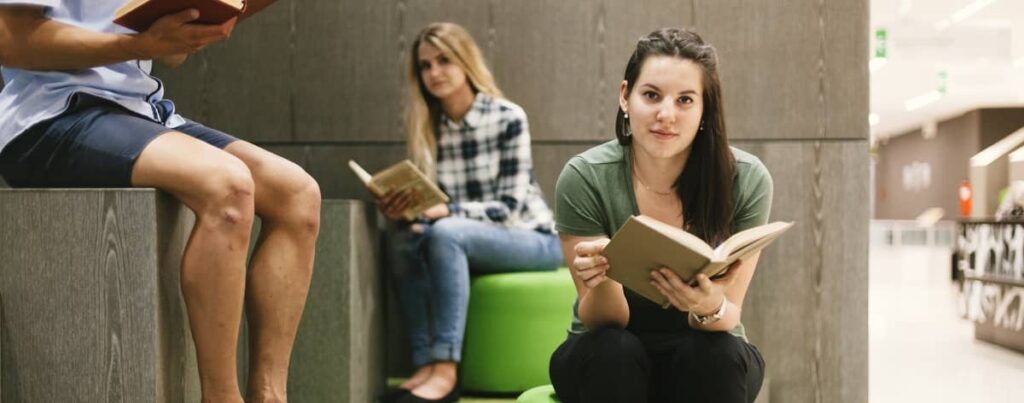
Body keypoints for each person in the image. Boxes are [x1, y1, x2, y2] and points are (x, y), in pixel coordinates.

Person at [0, 2, 320, 402]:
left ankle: (270, 395)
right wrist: (141, 43)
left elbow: (171, 56)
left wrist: (191, 26)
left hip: (139, 111)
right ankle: (221, 397)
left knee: (297, 195)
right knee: (228, 185)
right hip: (49, 114)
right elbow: (13, 40)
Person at [548, 28, 773, 403]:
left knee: (714, 355)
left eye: (685, 100)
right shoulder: (584, 176)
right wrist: (605, 277)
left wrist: (706, 305)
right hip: (605, 348)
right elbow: (604, 322)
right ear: (625, 96)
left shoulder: (745, 179)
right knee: (614, 351)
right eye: (651, 95)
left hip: (706, 345)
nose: (665, 115)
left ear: (705, 110)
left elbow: (729, 314)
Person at [378, 22, 563, 403]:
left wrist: (447, 211)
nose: (434, 73)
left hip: (534, 238)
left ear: (466, 61)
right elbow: (433, 205)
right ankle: (425, 363)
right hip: (466, 237)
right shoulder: (429, 127)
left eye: (444, 60)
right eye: (425, 66)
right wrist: (407, 209)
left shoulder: (508, 117)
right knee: (404, 240)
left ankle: (446, 369)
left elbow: (509, 209)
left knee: (447, 233)